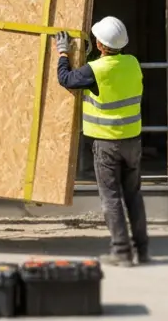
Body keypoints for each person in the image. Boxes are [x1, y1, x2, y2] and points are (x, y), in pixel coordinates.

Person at [55, 17, 149, 267]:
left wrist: (63, 53)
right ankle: (142, 249)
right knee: (133, 196)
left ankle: (121, 252)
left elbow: (66, 79)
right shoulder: (133, 63)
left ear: (99, 44)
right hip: (133, 140)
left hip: (107, 144)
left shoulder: (96, 70)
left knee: (111, 198)